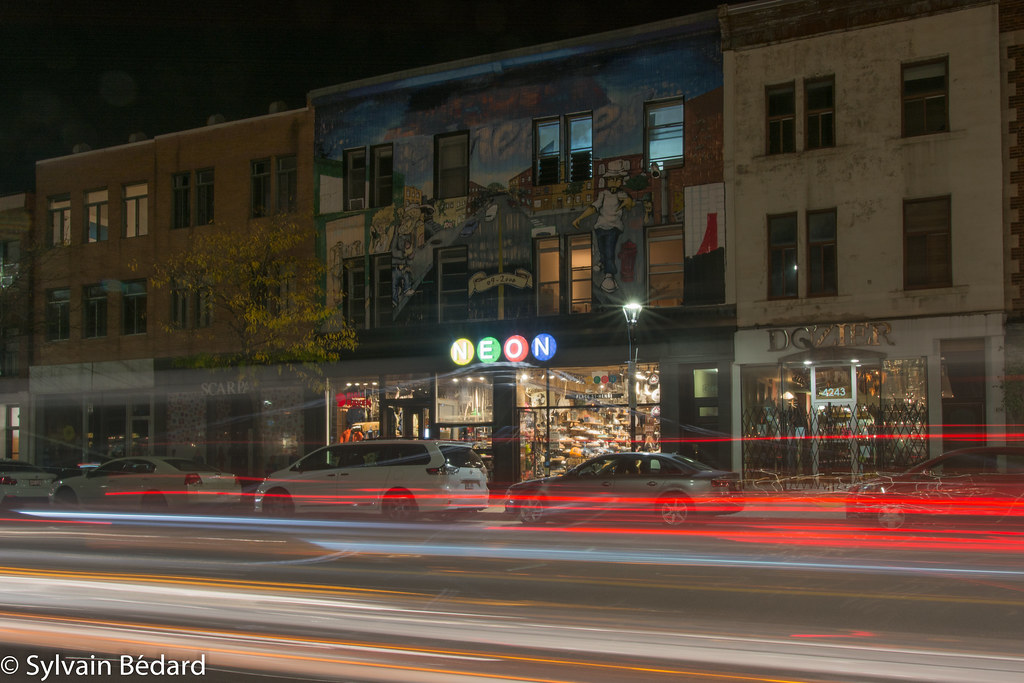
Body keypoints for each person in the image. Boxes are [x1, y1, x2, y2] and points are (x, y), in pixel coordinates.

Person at [572, 159, 635, 294]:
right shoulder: (603, 194)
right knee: (602, 248)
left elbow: (630, 204)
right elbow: (594, 207)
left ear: (621, 181)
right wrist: (579, 218)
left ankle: (609, 275)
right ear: (607, 181)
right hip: (601, 226)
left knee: (609, 249)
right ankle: (601, 261)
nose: (615, 182)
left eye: (617, 179)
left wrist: (628, 202)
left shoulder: (621, 194)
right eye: (612, 179)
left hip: (614, 227)